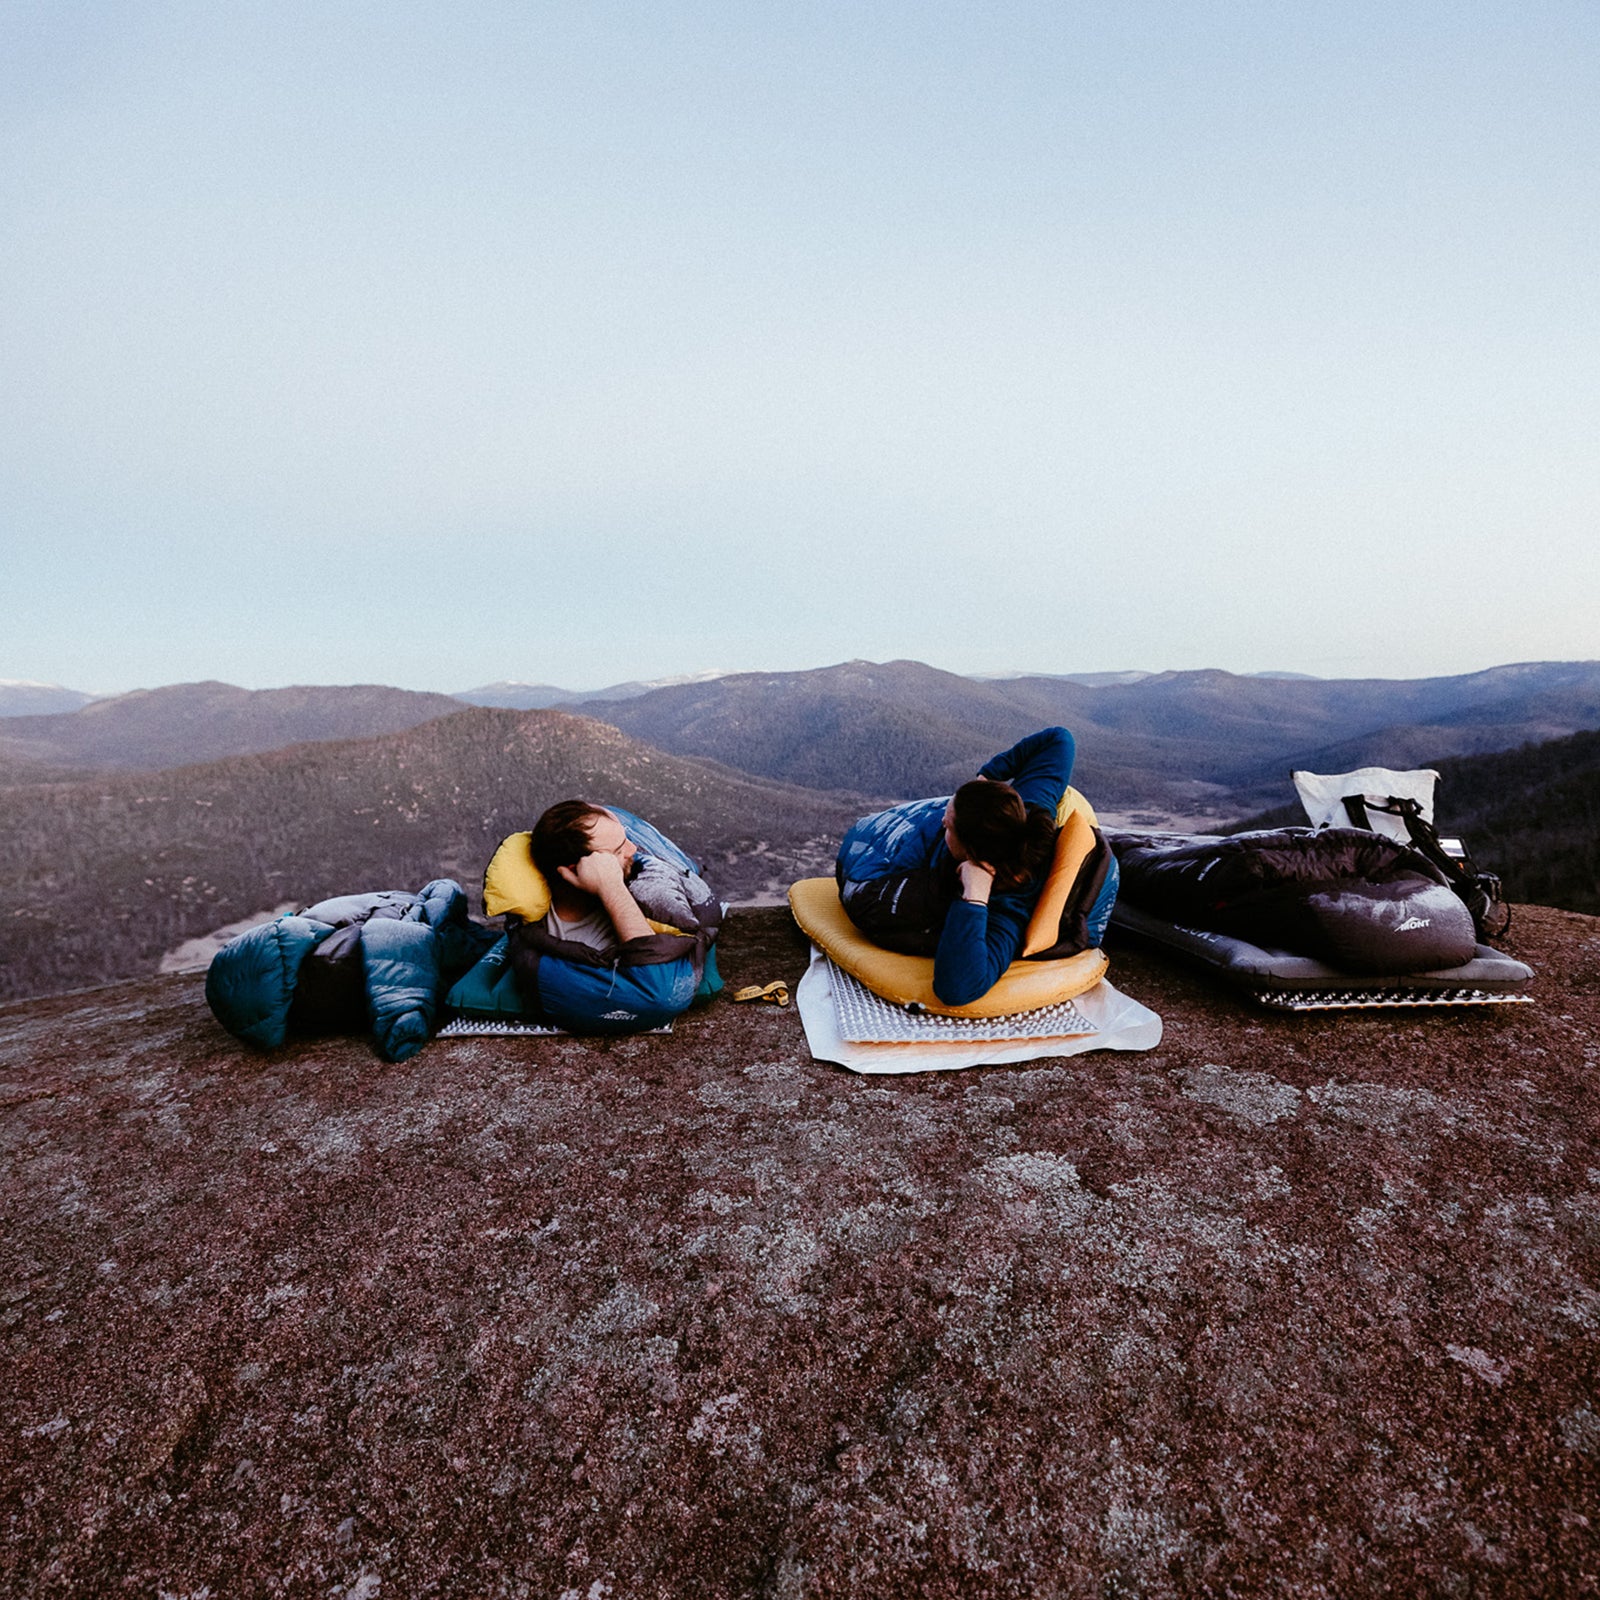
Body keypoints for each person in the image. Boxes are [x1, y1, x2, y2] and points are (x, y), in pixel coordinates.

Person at [835, 727, 1076, 1006]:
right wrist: (987, 779)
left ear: (974, 855)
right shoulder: (1028, 807)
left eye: (949, 826)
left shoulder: (1009, 908)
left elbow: (956, 989)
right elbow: (1059, 739)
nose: (942, 822)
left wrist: (974, 898)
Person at [505, 800, 722, 1033]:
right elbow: (658, 989)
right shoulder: (560, 936)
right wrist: (611, 887)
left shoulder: (637, 872)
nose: (633, 849)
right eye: (618, 850)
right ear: (576, 870)